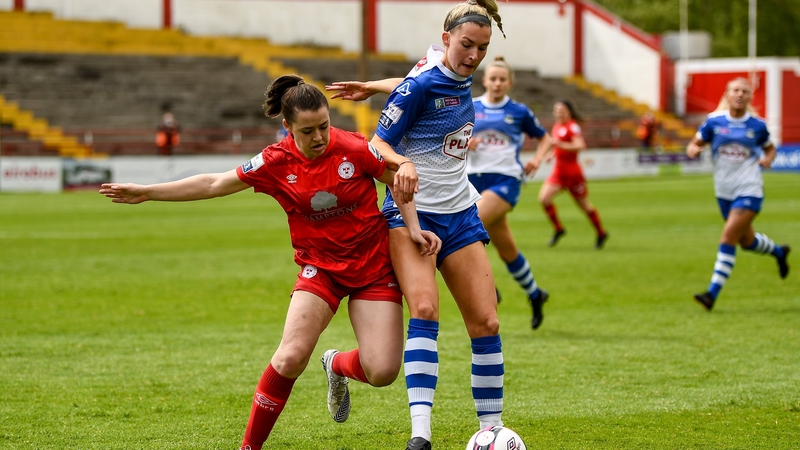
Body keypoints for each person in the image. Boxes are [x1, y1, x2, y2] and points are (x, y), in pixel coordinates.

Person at [99, 75, 441, 450]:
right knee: (291, 356)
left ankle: (336, 364)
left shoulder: (354, 148)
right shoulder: (276, 161)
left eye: (324, 126)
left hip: (372, 268)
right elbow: (215, 183)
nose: (319, 137)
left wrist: (413, 227)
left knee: (382, 372)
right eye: (308, 131)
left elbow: (398, 180)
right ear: (287, 127)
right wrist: (148, 193)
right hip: (321, 271)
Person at [326, 1, 507, 448]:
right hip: (411, 215)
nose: (473, 56)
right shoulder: (423, 82)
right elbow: (377, 146)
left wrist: (372, 85)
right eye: (466, 45)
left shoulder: (438, 68)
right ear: (446, 39)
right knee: (424, 310)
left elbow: (412, 83)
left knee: (486, 322)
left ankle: (491, 431)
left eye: (482, 48)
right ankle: (420, 436)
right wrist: (402, 160)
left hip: (461, 213)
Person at [685, 77, 790, 311]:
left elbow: (770, 148)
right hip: (723, 191)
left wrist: (768, 159)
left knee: (727, 238)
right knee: (747, 241)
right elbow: (696, 142)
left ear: (749, 97)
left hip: (749, 189)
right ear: (727, 94)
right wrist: (693, 148)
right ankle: (779, 252)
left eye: (744, 91)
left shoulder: (757, 125)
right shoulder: (714, 122)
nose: (740, 94)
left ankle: (711, 294)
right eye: (735, 90)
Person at [466, 56, 553, 329]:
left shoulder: (518, 111)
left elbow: (546, 138)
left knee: (467, 228)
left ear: (510, 83)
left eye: (502, 79)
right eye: (493, 78)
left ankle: (488, 290)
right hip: (471, 181)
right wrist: (465, 142)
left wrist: (537, 159)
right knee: (507, 250)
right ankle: (535, 294)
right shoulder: (471, 106)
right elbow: (453, 136)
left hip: (505, 180)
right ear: (485, 80)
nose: (497, 83)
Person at [530, 100, 608, 249]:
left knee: (585, 207)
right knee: (544, 199)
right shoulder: (557, 126)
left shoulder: (573, 126)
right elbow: (558, 145)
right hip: (559, 172)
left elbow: (580, 145)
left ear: (569, 112)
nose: (559, 113)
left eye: (562, 110)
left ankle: (601, 233)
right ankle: (559, 229)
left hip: (573, 174)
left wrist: (561, 145)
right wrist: (552, 154)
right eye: (557, 110)